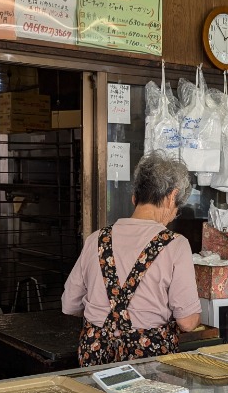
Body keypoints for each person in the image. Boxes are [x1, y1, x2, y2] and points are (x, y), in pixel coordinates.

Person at [62, 152, 201, 366]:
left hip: (95, 356)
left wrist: (105, 315)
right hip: (149, 359)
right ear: (172, 196)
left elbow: (70, 304)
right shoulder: (176, 245)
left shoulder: (96, 239)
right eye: (176, 208)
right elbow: (188, 322)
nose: (174, 215)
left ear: (134, 198)